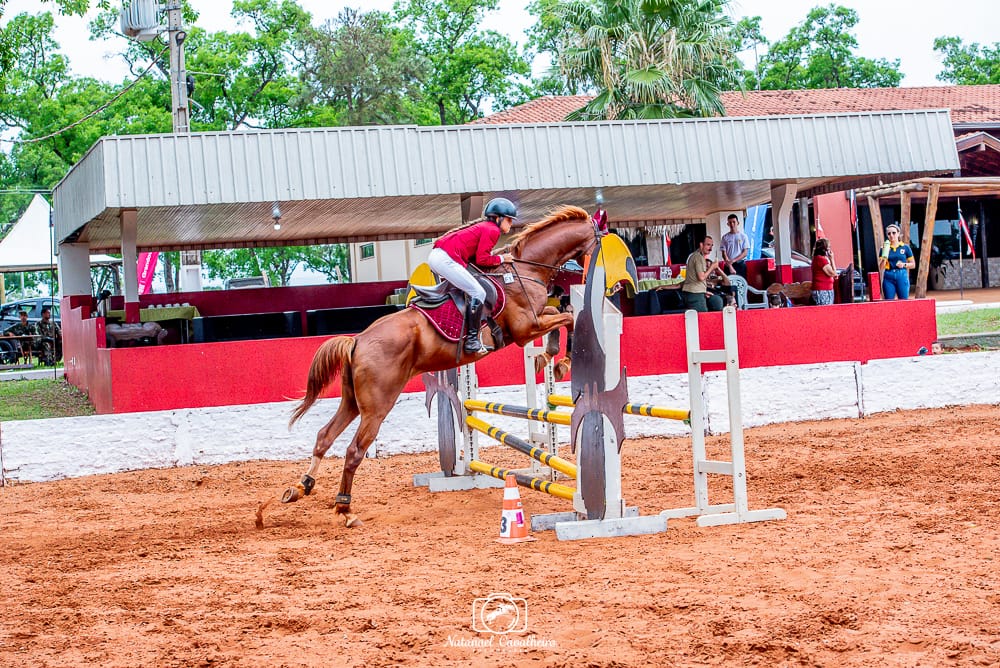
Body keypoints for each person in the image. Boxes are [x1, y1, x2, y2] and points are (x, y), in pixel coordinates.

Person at [428, 197, 516, 353]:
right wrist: (503, 258)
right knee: (478, 292)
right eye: (509, 220)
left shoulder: (485, 227)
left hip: (439, 257)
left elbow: (477, 258)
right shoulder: (492, 230)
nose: (511, 223)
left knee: (470, 289)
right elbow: (483, 259)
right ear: (498, 218)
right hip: (445, 259)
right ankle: (472, 340)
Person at [680, 236, 726, 312]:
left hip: (694, 292)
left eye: (711, 246)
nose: (710, 248)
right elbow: (701, 277)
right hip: (695, 294)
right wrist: (713, 266)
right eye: (708, 245)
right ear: (701, 245)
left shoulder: (694, 256)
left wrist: (703, 291)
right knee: (702, 318)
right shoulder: (699, 257)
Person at [879, 224, 915, 300]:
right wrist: (885, 254)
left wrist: (904, 264)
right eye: (889, 234)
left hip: (901, 274)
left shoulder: (905, 247)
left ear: (898, 233)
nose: (891, 235)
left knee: (903, 300)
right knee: (888, 301)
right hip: (889, 274)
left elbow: (913, 264)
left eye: (894, 233)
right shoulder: (884, 248)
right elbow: (881, 267)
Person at [720, 214, 750, 278]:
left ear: (738, 223)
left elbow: (745, 253)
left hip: (740, 264)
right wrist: (730, 265)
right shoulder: (725, 237)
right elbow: (723, 253)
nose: (732, 224)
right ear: (728, 224)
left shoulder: (743, 236)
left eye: (734, 222)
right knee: (728, 285)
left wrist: (734, 260)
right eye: (730, 222)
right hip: (728, 265)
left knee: (741, 284)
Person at [810, 238, 838, 305]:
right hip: (822, 290)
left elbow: (833, 274)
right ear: (824, 249)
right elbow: (833, 273)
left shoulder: (818, 259)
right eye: (828, 247)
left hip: (826, 289)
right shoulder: (820, 260)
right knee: (825, 311)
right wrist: (832, 259)